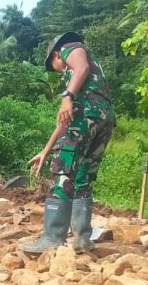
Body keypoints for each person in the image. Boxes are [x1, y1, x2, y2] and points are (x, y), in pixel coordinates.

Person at [21, 32, 115, 254]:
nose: (61, 70)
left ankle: (53, 237)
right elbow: (63, 126)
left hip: (86, 114)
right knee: (83, 176)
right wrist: (45, 151)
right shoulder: (89, 82)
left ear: (56, 54)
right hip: (103, 117)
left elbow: (80, 67)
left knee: (63, 172)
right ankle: (83, 239)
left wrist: (67, 96)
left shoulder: (71, 48)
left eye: (56, 66)